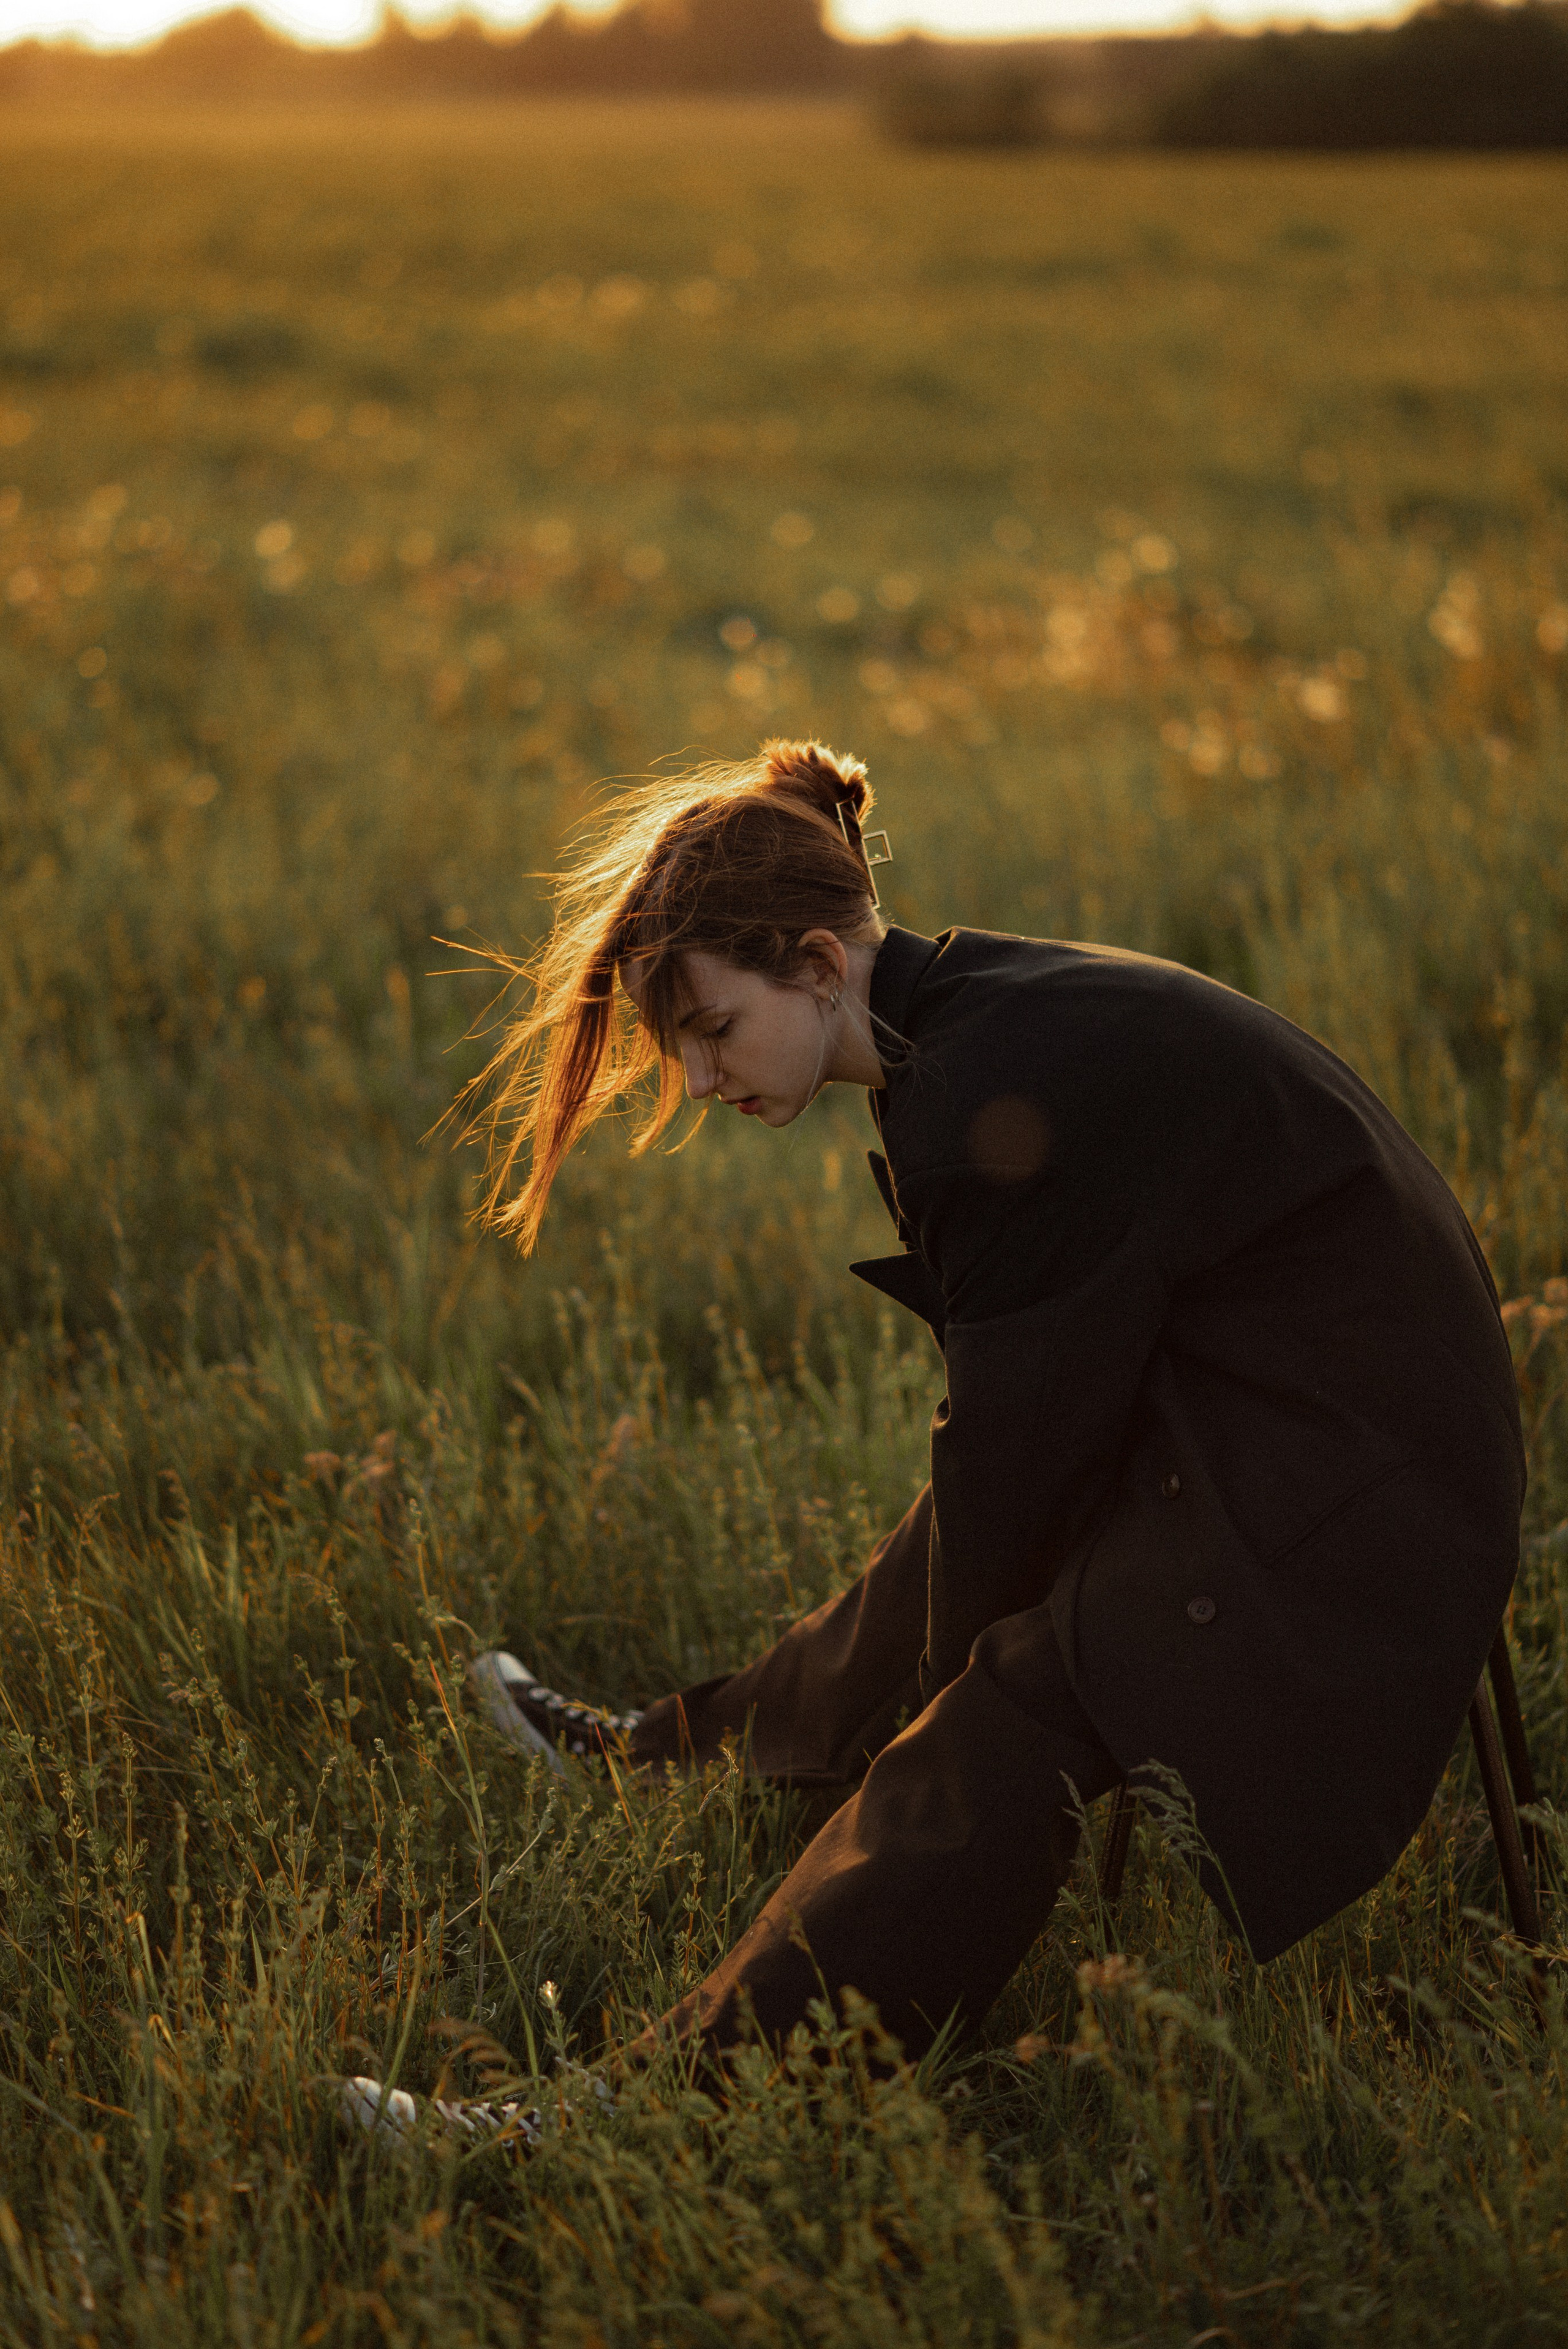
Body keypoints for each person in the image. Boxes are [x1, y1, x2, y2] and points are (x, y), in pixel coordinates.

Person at [464, 737, 1525, 2064]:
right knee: (945, 1548)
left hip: (1360, 1487)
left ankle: (672, 2100)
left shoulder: (978, 1083)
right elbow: (1010, 1456)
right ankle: (663, 1761)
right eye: (675, 1046)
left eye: (713, 1029)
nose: (693, 1081)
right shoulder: (971, 1009)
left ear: (817, 963)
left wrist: (935, 1704)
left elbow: (1022, 1485)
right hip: (1308, 1418)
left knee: (1013, 1700)